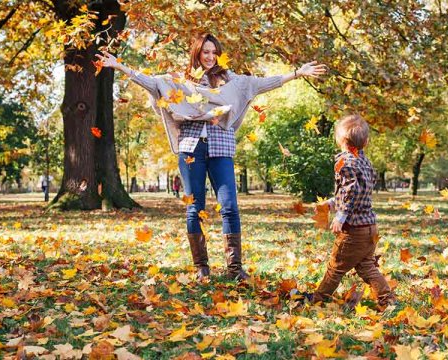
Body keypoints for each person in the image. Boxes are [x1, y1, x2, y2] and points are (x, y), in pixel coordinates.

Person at [96, 33, 326, 281]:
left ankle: (235, 268)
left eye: (214, 52)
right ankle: (201, 268)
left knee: (229, 206)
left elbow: (261, 83)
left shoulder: (232, 81)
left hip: (221, 147)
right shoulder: (180, 81)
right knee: (195, 208)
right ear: (197, 53)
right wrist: (119, 65)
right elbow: (151, 83)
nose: (210, 56)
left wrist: (296, 73)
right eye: (205, 51)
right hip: (191, 147)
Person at [312, 115, 396, 308]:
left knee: (336, 266)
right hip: (369, 227)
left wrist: (341, 215)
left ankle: (318, 299)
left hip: (353, 230)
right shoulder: (365, 162)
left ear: (339, 140)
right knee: (367, 266)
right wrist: (333, 203)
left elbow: (350, 190)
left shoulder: (344, 161)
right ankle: (387, 299)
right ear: (365, 142)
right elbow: (356, 191)